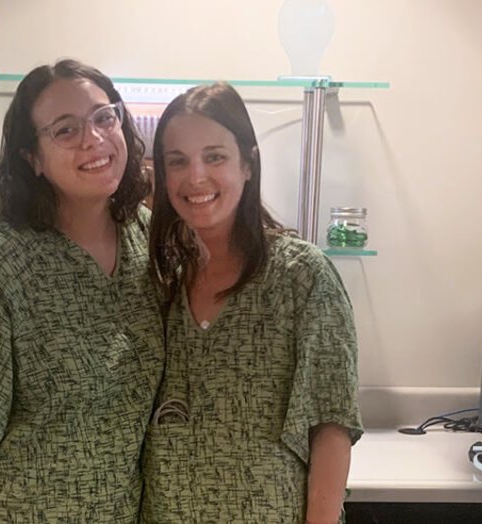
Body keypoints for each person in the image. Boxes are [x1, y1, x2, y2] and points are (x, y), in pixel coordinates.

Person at [0, 59, 164, 522]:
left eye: (105, 116)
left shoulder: (146, 239)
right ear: (32, 158)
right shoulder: (4, 265)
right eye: (65, 130)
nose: (94, 138)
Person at [143, 82, 362, 524]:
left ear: (248, 163)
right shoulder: (163, 277)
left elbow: (331, 425)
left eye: (215, 156)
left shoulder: (302, 276)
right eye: (178, 161)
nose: (196, 177)